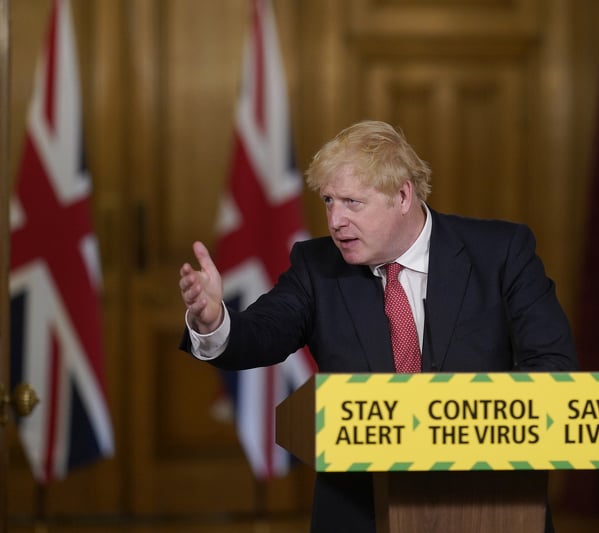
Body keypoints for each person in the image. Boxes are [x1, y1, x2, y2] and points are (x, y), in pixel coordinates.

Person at [178, 119, 578, 532]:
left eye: (352, 202)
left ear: (402, 196)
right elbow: (260, 335)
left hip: (491, 508)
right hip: (360, 513)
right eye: (329, 201)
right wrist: (213, 320)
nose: (335, 220)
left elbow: (554, 368)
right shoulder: (317, 268)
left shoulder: (500, 253)